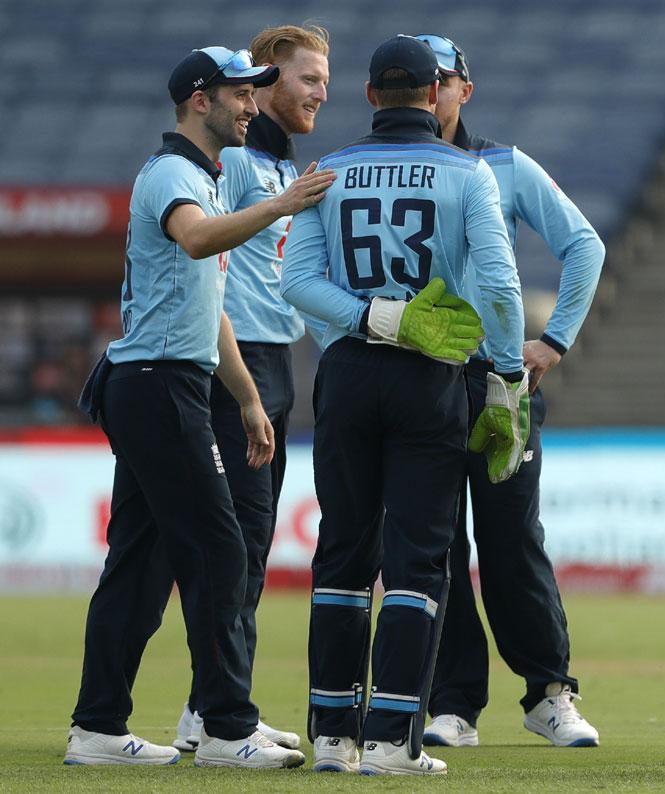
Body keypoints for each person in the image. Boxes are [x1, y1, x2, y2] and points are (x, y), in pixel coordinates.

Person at [67, 45, 334, 769]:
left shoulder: (204, 178)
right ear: (198, 99)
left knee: (141, 562)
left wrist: (247, 399)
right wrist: (276, 204)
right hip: (156, 384)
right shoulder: (175, 176)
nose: (252, 106)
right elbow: (193, 242)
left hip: (169, 380)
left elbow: (209, 301)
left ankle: (96, 728)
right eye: (239, 95)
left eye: (254, 94)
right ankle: (223, 727)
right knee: (218, 549)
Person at [280, 34, 528, 776]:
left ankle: (330, 734)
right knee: (419, 559)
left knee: (343, 553)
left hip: (350, 372)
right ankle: (391, 739)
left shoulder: (327, 170)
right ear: (433, 95)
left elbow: (296, 283)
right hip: (432, 375)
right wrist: (507, 379)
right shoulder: (470, 173)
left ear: (368, 96)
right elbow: (503, 287)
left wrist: (370, 318)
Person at [412, 33, 606, 751]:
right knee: (433, 544)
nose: (432, 93)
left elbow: (585, 244)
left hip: (498, 379)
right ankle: (453, 703)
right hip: (417, 377)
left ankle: (550, 693)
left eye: (443, 81)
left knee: (511, 538)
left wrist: (554, 340)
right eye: (418, 81)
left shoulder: (505, 164)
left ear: (467, 89)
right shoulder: (386, 168)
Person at [172, 23, 331, 756]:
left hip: (274, 363)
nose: (319, 91)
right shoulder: (237, 164)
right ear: (265, 81)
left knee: (251, 547)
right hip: (236, 364)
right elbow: (206, 257)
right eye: (307, 77)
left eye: (325, 79)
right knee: (232, 549)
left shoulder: (276, 163)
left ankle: (217, 704)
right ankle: (213, 716)